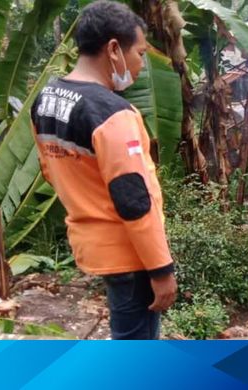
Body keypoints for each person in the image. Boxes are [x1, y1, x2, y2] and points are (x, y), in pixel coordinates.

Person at [30, 0, 176, 339]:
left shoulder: (46, 100)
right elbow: (135, 202)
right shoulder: (113, 114)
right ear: (114, 49)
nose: (140, 65)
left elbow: (50, 170)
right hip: (130, 255)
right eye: (140, 53)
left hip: (92, 244)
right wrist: (161, 269)